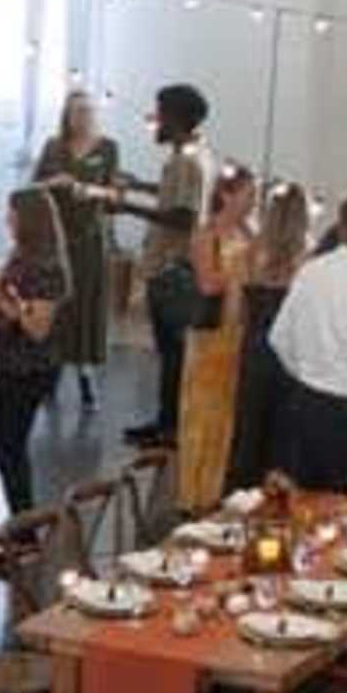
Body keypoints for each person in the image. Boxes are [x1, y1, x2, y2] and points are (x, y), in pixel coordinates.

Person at [269, 187, 347, 491]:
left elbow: (279, 337)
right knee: (344, 512)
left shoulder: (310, 271)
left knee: (298, 505)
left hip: (302, 404)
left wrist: (305, 373)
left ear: (341, 228)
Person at [116, 84, 218, 446]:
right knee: (170, 354)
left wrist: (125, 207)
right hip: (173, 267)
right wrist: (139, 186)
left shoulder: (188, 160)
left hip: (174, 268)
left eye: (159, 113)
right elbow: (175, 197)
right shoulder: (193, 153)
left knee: (174, 355)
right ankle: (165, 422)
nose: (154, 120)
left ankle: (170, 428)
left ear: (176, 118)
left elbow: (183, 216)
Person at [30, 88, 123, 415]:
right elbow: (33, 189)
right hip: (57, 238)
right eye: (76, 111)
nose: (82, 117)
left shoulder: (108, 148)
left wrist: (88, 189)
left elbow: (114, 194)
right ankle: (51, 374)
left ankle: (86, 375)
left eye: (87, 111)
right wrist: (53, 182)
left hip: (90, 239)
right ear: (67, 115)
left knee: (86, 305)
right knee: (58, 304)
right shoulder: (53, 147)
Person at [172, 165, 260, 504]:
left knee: (230, 412)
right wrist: (240, 274)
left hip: (239, 331)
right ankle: (196, 490)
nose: (251, 203)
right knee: (205, 412)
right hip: (212, 334)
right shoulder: (207, 235)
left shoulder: (248, 233)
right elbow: (207, 282)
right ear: (226, 194)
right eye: (247, 195)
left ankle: (222, 484)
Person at [0, 185, 68, 516]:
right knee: (7, 450)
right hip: (11, 362)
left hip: (28, 367)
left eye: (12, 214)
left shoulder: (46, 266)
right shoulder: (20, 256)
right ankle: (21, 523)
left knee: (9, 451)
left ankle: (24, 529)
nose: (6, 219)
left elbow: (37, 327)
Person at [222, 177, 312, 495]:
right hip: (292, 359)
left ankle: (236, 506)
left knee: (247, 436)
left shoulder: (248, 253)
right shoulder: (309, 261)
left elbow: (233, 313)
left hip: (254, 350)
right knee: (284, 438)